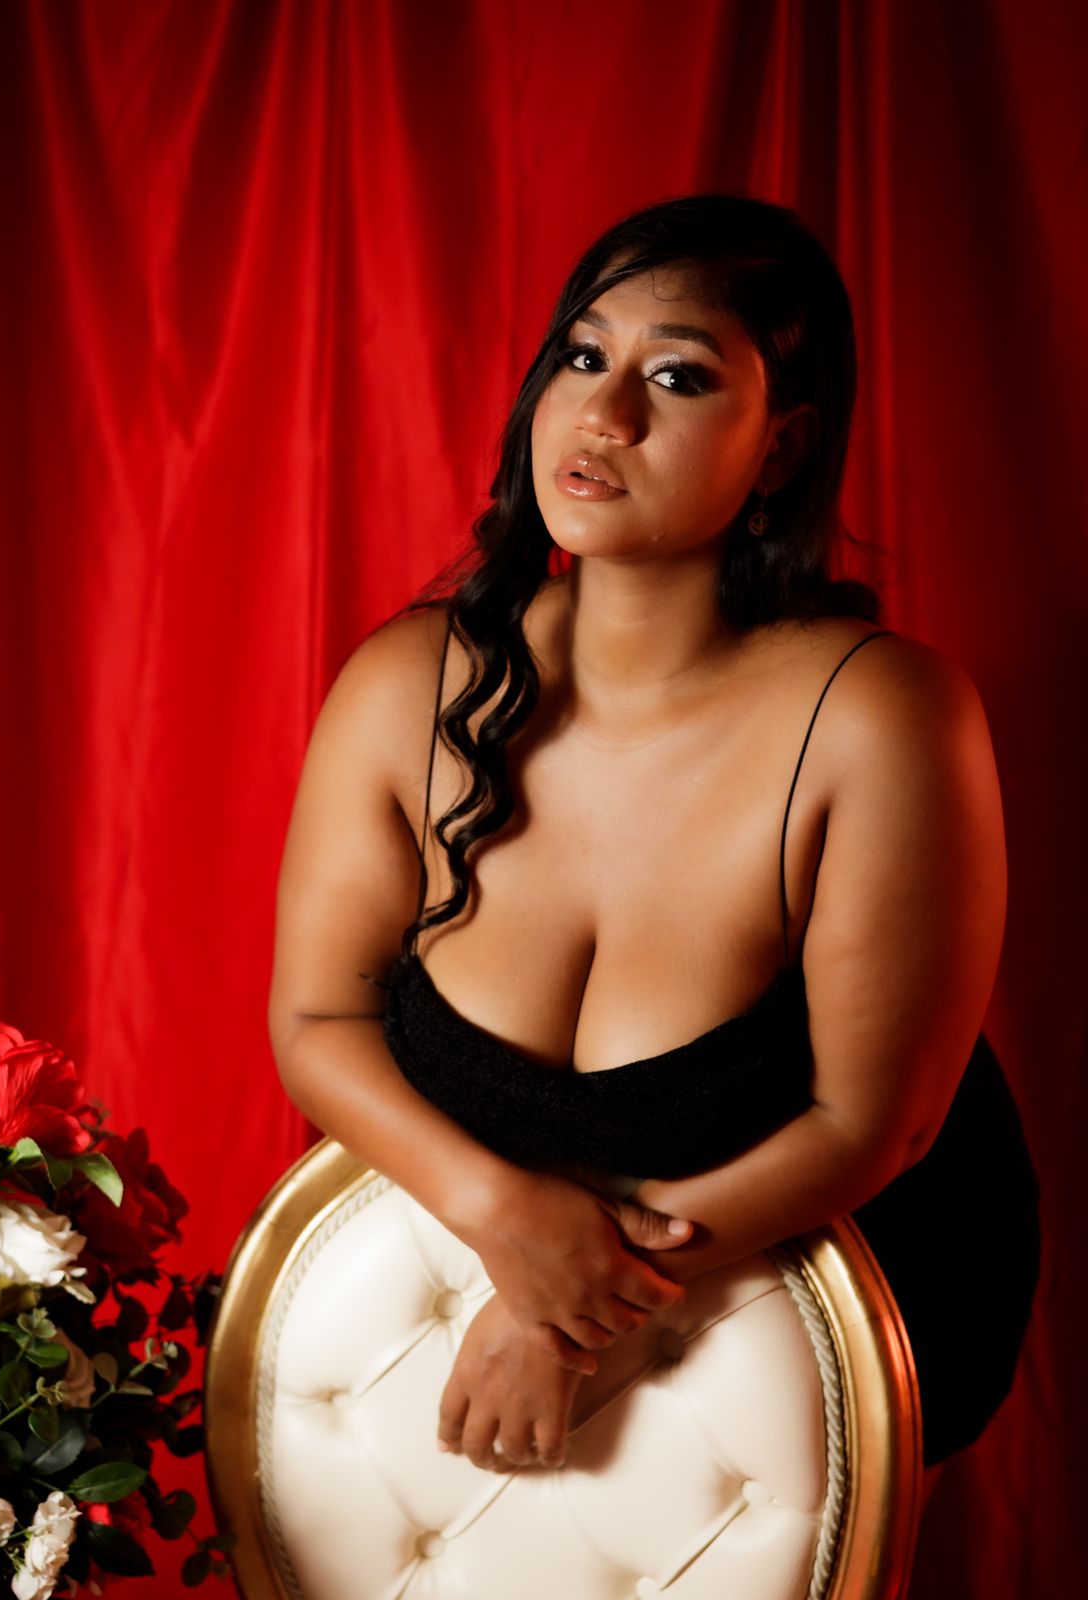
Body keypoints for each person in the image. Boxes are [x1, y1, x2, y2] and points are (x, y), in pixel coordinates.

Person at [268, 192, 1041, 1485]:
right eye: (583, 356)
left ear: (781, 448)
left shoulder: (880, 715)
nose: (606, 413)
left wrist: (569, 1313)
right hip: (462, 1325)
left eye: (678, 377)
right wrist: (508, 1222)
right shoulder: (406, 685)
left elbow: (875, 1123)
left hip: (822, 1331)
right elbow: (317, 1020)